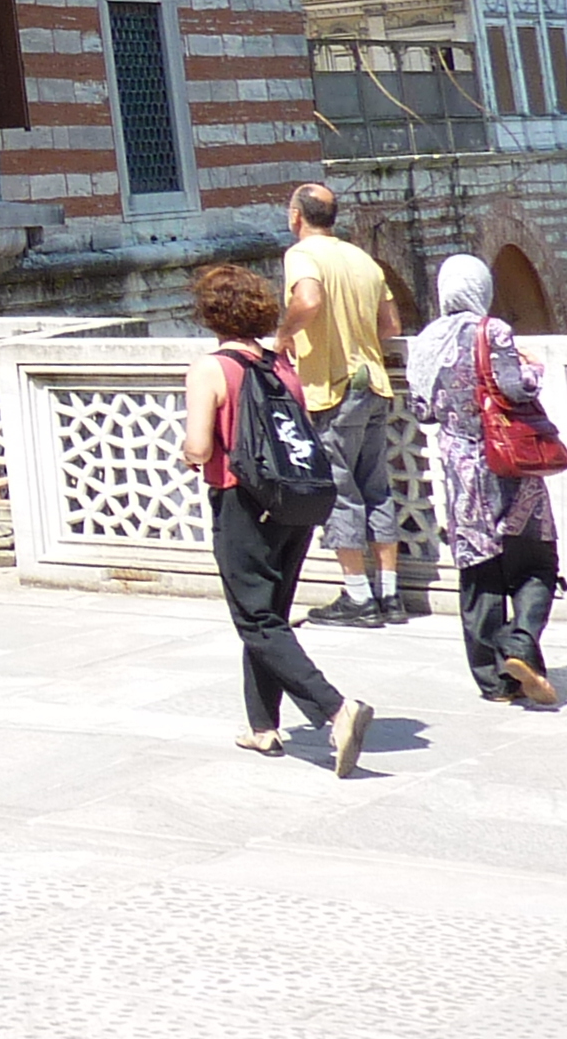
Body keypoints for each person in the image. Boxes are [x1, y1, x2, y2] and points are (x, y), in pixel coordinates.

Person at [180, 260, 375, 775]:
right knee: (269, 616)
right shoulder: (280, 367)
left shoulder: (210, 368)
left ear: (210, 314)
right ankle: (262, 726)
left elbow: (200, 446)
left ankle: (335, 710)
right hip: (293, 503)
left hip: (242, 501)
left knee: (256, 619)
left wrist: (188, 449)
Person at [409, 252, 563, 709]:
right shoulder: (492, 330)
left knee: (479, 575)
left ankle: (494, 683)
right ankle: (519, 643)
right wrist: (533, 367)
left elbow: (424, 411)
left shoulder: (425, 341)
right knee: (536, 562)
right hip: (509, 468)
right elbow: (516, 388)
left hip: (460, 475)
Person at [280, 183, 403, 627]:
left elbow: (308, 299)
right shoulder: (361, 258)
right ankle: (390, 595)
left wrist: (284, 336)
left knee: (340, 492)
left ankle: (358, 598)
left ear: (297, 216)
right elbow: (390, 325)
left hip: (333, 389)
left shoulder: (302, 256)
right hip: (375, 385)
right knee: (377, 487)